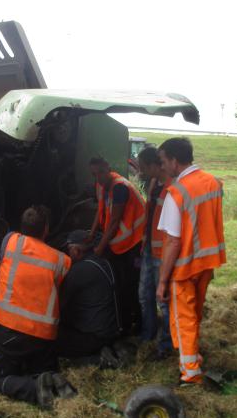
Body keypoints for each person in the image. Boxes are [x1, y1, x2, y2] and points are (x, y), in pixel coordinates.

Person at [0, 205, 73, 408]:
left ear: (22, 226)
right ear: (46, 230)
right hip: (41, 339)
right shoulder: (63, 261)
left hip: (7, 332)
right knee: (40, 368)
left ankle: (34, 389)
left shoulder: (10, 242)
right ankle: (48, 378)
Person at [155, 138, 225, 385]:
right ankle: (193, 356)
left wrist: (162, 281)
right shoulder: (212, 182)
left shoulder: (176, 193)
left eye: (163, 162)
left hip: (184, 268)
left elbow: (173, 242)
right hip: (206, 263)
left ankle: (191, 372)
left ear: (174, 160)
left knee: (183, 319)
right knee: (194, 316)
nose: (162, 167)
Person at [88, 157, 146, 335]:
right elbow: (100, 211)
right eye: (94, 174)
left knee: (131, 283)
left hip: (135, 241)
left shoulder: (119, 187)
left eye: (101, 173)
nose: (98, 177)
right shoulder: (101, 185)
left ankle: (138, 323)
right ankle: (126, 320)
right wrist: (91, 235)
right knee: (121, 282)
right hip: (121, 242)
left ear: (109, 169)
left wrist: (99, 248)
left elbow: (114, 222)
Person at [56, 230, 121, 359]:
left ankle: (97, 360)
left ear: (76, 251)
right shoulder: (104, 262)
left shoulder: (78, 271)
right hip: (112, 330)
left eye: (69, 250)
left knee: (52, 339)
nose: (68, 253)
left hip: (94, 336)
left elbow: (60, 304)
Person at [136, 147, 172, 358]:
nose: (140, 171)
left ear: (153, 166)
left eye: (142, 167)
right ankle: (147, 336)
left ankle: (165, 345)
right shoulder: (153, 183)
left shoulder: (171, 187)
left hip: (163, 251)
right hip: (149, 248)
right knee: (144, 295)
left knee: (163, 299)